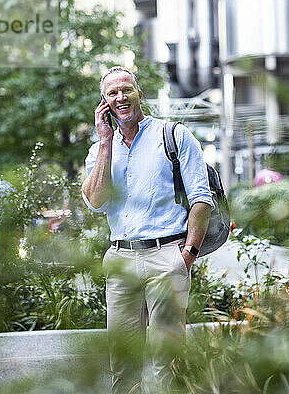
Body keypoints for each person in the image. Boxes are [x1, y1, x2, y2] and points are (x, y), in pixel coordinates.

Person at [81, 66, 213, 393]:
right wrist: (105, 140)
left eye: (126, 89)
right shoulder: (99, 150)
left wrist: (187, 255)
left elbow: (202, 199)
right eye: (112, 93)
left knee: (166, 361)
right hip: (121, 259)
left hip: (167, 255)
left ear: (139, 94)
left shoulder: (174, 135)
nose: (120, 97)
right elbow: (95, 202)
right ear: (104, 103)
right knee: (122, 364)